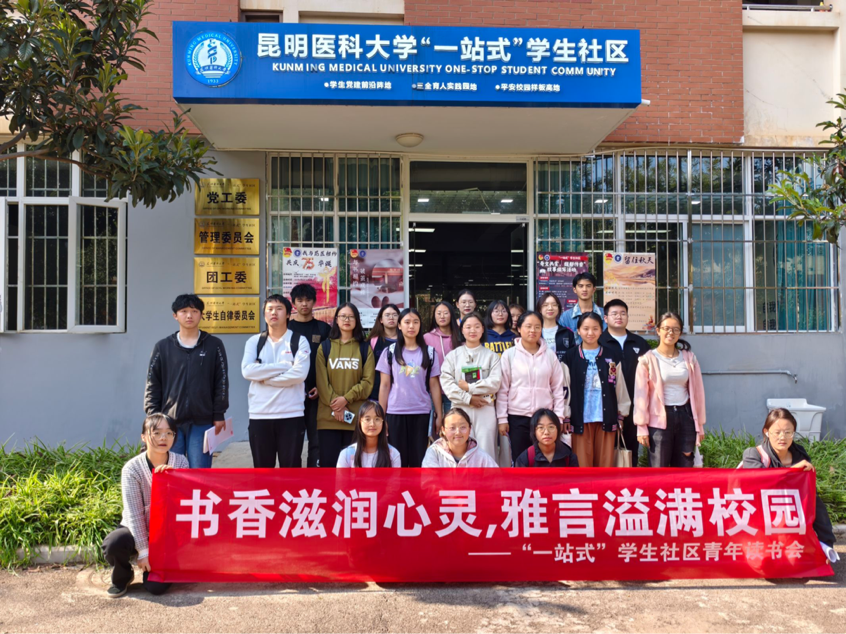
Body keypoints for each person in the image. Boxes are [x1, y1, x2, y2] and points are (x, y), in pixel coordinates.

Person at [102, 413, 188, 598]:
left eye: (169, 433)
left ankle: (162, 566)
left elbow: (183, 504)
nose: (163, 438)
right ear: (143, 436)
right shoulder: (132, 469)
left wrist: (172, 481)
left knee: (156, 588)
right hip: (135, 529)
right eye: (156, 433)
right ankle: (123, 576)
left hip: (165, 532)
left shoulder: (181, 462)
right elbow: (134, 514)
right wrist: (143, 551)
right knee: (114, 543)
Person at [143, 294, 229, 468]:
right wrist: (153, 416)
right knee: (171, 469)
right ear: (175, 315)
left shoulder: (213, 345)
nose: (189, 315)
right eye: (184, 311)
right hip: (169, 421)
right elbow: (153, 383)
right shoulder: (163, 347)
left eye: (194, 311)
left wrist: (219, 414)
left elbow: (221, 381)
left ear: (201, 315)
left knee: (199, 470)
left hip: (202, 420)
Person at [741, 409, 837, 557]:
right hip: (760, 515)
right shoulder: (753, 454)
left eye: (788, 432)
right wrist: (793, 471)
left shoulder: (799, 454)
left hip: (789, 513)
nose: (783, 437)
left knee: (813, 499)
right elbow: (761, 481)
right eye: (777, 432)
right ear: (766, 432)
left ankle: (825, 546)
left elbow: (808, 495)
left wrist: (827, 543)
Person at [241, 295, 311, 468]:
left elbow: (299, 374)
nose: (274, 313)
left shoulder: (299, 341)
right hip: (260, 414)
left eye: (279, 309)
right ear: (264, 314)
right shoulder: (254, 342)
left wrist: (265, 378)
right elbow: (247, 370)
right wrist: (285, 365)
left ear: (288, 314)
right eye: (269, 309)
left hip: (291, 414)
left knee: (291, 471)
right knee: (263, 470)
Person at [633, 312, 706, 468]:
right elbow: (640, 396)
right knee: (658, 467)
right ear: (658, 330)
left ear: (680, 332)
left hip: (686, 416)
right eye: (666, 328)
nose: (671, 332)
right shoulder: (647, 359)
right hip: (659, 420)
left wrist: (699, 425)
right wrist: (641, 427)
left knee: (685, 467)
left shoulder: (689, 358)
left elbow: (698, 394)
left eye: (675, 329)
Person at [496, 311, 569, 463]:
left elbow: (558, 389)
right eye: (528, 326)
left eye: (537, 327)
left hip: (544, 418)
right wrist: (502, 418)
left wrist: (559, 418)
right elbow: (503, 390)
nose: (533, 330)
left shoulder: (550, 355)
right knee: (520, 459)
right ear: (519, 328)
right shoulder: (509, 355)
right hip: (517, 417)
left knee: (544, 460)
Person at [564, 312, 631, 468]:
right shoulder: (570, 356)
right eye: (585, 328)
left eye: (595, 328)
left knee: (605, 465)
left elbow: (619, 386)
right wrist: (566, 415)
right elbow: (564, 387)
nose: (590, 333)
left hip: (606, 418)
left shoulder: (611, 355)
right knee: (582, 466)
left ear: (601, 330)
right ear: (578, 330)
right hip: (580, 419)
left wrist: (621, 413)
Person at [377, 307, 442, 467]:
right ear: (399, 325)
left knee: (418, 460)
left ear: (420, 325)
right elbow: (384, 386)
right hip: (395, 412)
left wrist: (439, 415)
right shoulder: (389, 352)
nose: (411, 326)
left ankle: (416, 485)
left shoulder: (430, 352)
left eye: (415, 322)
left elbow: (434, 385)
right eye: (407, 322)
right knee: (397, 460)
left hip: (421, 412)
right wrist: (381, 416)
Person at [315, 303, 375, 468]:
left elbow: (367, 382)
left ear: (357, 320)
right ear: (336, 320)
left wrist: (346, 399)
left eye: (351, 316)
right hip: (328, 419)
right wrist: (337, 406)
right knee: (328, 467)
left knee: (354, 468)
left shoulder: (364, 348)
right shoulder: (325, 347)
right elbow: (322, 382)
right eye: (343, 316)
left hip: (355, 419)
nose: (347, 320)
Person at [440, 312, 502, 462]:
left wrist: (469, 387)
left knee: (486, 450)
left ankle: (487, 478)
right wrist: (468, 398)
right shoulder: (452, 356)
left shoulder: (492, 356)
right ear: (462, 330)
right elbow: (447, 384)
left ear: (483, 329)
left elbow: (495, 382)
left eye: (477, 326)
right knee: (459, 449)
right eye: (468, 327)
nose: (472, 330)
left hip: (485, 408)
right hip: (460, 408)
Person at [599, 299, 650, 467]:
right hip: (606, 406)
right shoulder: (599, 342)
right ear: (605, 318)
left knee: (630, 451)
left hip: (636, 405)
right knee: (606, 452)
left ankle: (630, 481)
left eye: (623, 313)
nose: (619, 317)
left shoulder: (639, 343)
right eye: (614, 314)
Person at [288, 283, 332, 468]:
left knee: (317, 439)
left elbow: (330, 363)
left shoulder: (324, 329)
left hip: (317, 394)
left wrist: (322, 388)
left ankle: (314, 476)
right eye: (300, 300)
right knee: (292, 441)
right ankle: (294, 478)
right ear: (293, 303)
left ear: (314, 302)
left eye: (308, 300)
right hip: (291, 394)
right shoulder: (286, 329)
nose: (304, 304)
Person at [422, 408, 498, 468]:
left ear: (470, 429)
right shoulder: (434, 453)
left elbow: (496, 479)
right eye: (452, 428)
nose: (458, 432)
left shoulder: (481, 456)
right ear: (443, 430)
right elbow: (429, 480)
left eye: (463, 427)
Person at [336, 401, 401, 468]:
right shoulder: (346, 454)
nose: (372, 424)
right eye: (367, 419)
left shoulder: (393, 454)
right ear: (360, 422)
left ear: (383, 422)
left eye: (377, 419)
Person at [424, 301, 461, 416]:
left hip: (455, 390)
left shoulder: (460, 337)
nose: (442, 316)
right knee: (435, 423)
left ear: (452, 315)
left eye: (446, 313)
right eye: (438, 313)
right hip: (433, 390)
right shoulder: (427, 338)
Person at [514, 409, 579, 467]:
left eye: (551, 427)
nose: (546, 432)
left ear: (558, 429)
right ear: (534, 431)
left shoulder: (568, 456)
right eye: (541, 427)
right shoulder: (525, 458)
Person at [558, 272, 606, 344]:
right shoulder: (566, 317)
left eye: (588, 286)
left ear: (594, 289)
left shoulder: (605, 314)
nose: (584, 289)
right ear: (574, 289)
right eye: (581, 286)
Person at [368, 303, 400, 401]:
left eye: (394, 315)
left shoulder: (405, 340)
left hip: (400, 395)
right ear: (381, 320)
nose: (391, 318)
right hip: (376, 393)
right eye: (387, 315)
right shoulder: (373, 341)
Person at [537, 291, 576, 362]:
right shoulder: (535, 332)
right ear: (540, 309)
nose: (550, 308)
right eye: (545, 305)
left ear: (558, 308)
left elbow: (573, 358)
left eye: (554, 305)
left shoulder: (567, 333)